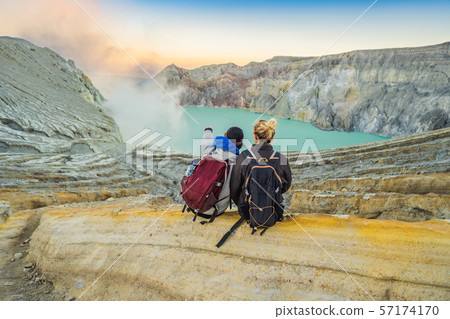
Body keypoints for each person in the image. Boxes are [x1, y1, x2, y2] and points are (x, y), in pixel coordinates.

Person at [230, 119, 292, 221]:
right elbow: (286, 185)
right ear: (271, 137)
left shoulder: (243, 156)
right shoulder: (281, 158)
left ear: (255, 136)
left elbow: (234, 187)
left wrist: (243, 205)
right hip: (273, 210)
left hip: (248, 212)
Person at [200, 125, 244, 217]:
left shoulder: (210, 152)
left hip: (194, 204)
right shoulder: (238, 163)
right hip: (216, 210)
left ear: (225, 135)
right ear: (240, 143)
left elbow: (206, 142)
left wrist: (208, 130)